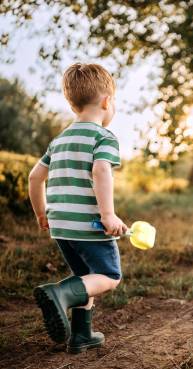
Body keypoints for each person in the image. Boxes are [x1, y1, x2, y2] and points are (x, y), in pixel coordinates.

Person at [28, 62, 127, 353]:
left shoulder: (59, 140)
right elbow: (101, 172)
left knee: (87, 278)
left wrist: (41, 213)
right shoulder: (103, 137)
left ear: (73, 105)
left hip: (61, 226)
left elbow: (35, 177)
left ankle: (82, 335)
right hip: (89, 224)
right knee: (109, 277)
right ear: (107, 101)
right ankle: (59, 293)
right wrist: (107, 214)